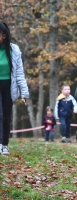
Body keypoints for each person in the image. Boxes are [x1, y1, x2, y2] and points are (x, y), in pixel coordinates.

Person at [0, 21, 29, 155]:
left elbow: (19, 73)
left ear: (4, 35)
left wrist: (24, 92)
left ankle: (4, 145)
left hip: (8, 86)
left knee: (6, 117)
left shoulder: (14, 50)